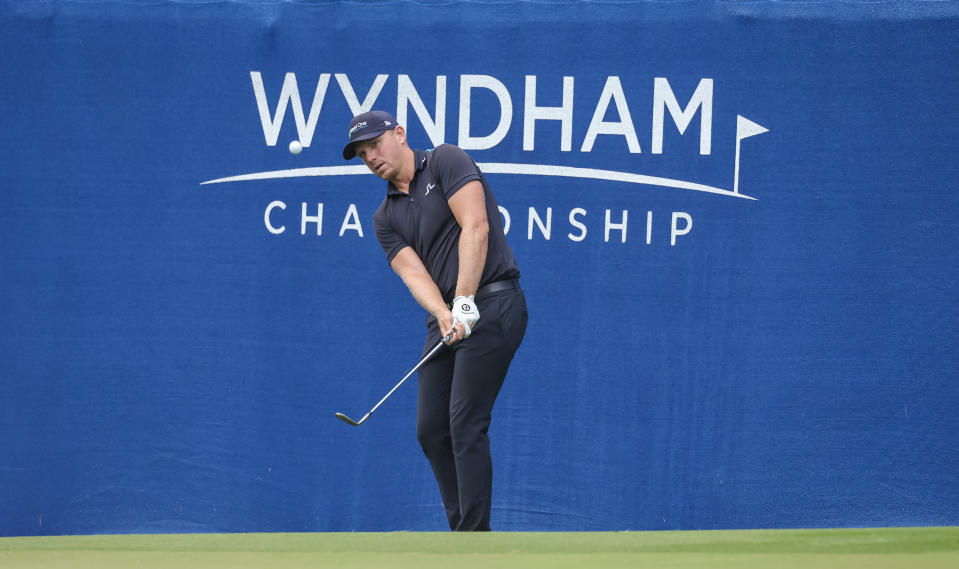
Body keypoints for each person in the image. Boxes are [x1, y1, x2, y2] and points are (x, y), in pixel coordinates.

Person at [342, 110, 527, 531]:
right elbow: (413, 274)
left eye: (374, 144)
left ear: (400, 134)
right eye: (361, 152)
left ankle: (473, 542)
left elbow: (476, 227)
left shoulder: (445, 161)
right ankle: (463, 531)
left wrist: (463, 301)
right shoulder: (385, 217)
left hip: (494, 303)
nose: (370, 157)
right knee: (431, 430)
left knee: (464, 422)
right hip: (448, 317)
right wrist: (445, 312)